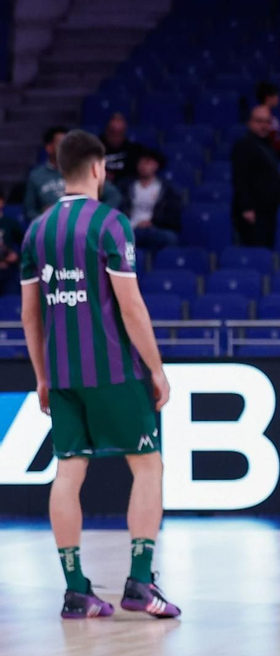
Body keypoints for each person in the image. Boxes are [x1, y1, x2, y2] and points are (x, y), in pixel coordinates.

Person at [16, 130, 179, 620]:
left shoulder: (35, 231)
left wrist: (42, 377)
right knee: (147, 466)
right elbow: (130, 305)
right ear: (97, 169)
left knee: (68, 472)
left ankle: (75, 590)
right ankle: (140, 582)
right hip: (113, 370)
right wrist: (156, 369)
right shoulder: (111, 224)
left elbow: (30, 314)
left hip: (63, 375)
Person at [231, 105, 280, 248]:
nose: (264, 126)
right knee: (255, 251)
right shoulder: (244, 145)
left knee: (267, 250)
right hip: (253, 213)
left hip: (268, 211)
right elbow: (239, 178)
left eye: (267, 122)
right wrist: (247, 208)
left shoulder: (269, 145)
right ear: (250, 123)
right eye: (259, 121)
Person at [123, 151, 182, 255]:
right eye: (140, 163)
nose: (143, 166)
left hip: (155, 228)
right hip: (132, 228)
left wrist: (153, 222)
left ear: (155, 165)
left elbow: (172, 215)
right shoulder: (127, 186)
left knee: (170, 238)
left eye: (147, 163)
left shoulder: (166, 189)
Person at [23, 126, 68, 224]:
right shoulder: (36, 176)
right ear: (49, 147)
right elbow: (28, 211)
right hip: (47, 229)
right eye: (61, 143)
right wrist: (43, 216)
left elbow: (107, 194)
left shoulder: (79, 172)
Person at [99, 113, 145, 183]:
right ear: (107, 131)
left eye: (119, 133)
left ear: (124, 133)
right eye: (113, 132)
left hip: (124, 187)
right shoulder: (96, 146)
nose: (115, 137)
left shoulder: (133, 149)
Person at [257, 82, 280, 161]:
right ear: (268, 98)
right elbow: (276, 142)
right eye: (276, 95)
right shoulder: (263, 118)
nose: (278, 98)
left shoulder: (271, 118)